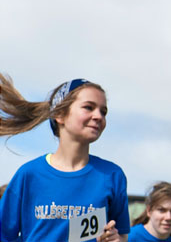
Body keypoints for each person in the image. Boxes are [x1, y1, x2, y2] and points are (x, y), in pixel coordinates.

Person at [0, 75, 129, 242]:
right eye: (89, 107)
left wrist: (115, 239)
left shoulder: (112, 175)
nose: (98, 116)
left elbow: (123, 235)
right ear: (60, 115)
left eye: (103, 111)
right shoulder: (29, 174)